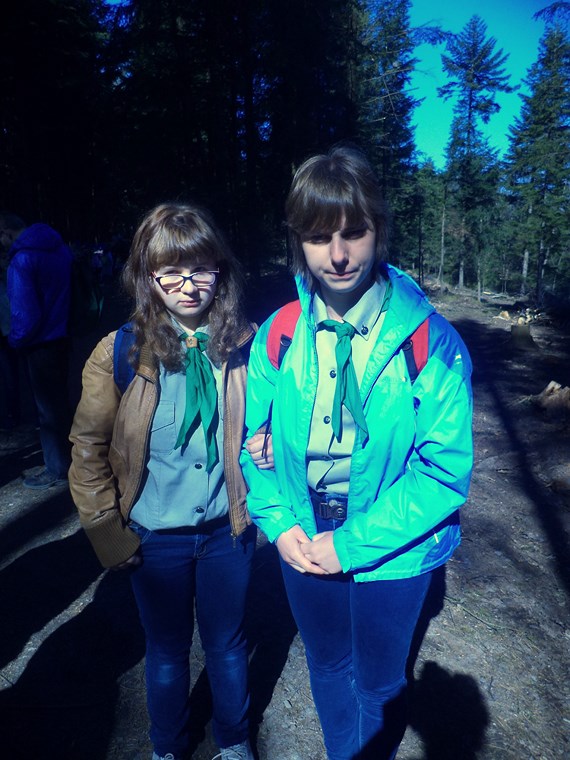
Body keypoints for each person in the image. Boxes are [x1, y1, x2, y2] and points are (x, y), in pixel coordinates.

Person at [241, 146, 473, 760]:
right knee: (326, 664)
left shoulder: (429, 342)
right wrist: (278, 523)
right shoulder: (279, 333)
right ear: (298, 242)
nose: (338, 255)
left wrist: (350, 544)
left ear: (380, 230)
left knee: (377, 683)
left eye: (354, 232)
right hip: (303, 537)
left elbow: (443, 473)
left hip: (396, 550)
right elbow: (251, 444)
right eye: (319, 237)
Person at [69, 203, 268, 760]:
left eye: (200, 269)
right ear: (147, 276)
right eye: (170, 271)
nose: (187, 284)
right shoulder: (121, 352)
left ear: (220, 272)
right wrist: (107, 532)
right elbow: (87, 448)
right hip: (155, 537)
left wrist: (271, 443)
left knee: (227, 646)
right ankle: (167, 747)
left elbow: (277, 419)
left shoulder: (247, 346)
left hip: (228, 531)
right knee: (166, 650)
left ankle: (234, 741)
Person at [1, 212, 73, 488]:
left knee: (47, 411)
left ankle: (57, 469)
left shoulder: (22, 260)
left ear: (6, 231)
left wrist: (15, 340)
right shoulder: (59, 249)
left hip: (39, 344)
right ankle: (72, 459)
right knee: (61, 403)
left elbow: (25, 314)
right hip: (62, 336)